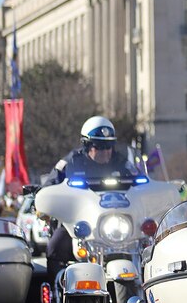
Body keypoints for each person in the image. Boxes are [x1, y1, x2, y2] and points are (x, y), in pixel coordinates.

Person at [44, 116, 138, 279]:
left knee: (147, 244)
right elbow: (48, 186)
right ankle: (57, 290)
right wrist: (41, 198)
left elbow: (141, 183)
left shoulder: (122, 163)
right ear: (86, 145)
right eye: (100, 146)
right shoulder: (70, 162)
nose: (105, 151)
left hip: (118, 223)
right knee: (55, 247)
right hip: (78, 224)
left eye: (109, 146)